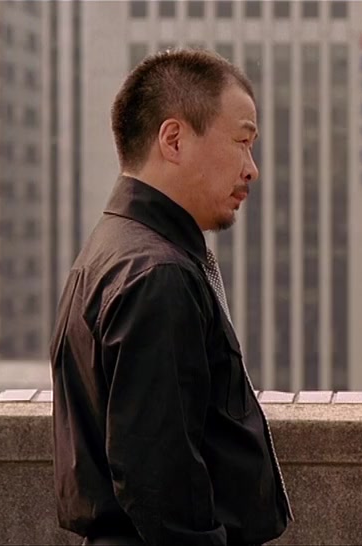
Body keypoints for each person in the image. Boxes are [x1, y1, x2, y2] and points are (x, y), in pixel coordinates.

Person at [49, 48, 291, 545]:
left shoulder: (112, 248)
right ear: (174, 139)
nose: (252, 169)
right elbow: (159, 482)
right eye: (242, 142)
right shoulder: (157, 275)